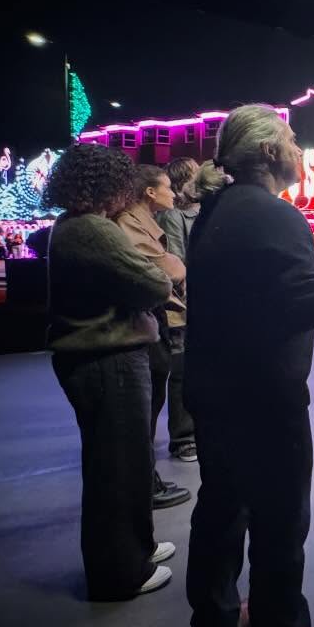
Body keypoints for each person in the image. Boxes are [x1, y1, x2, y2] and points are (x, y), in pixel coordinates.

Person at [183, 103, 314, 627]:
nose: (301, 151)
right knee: (280, 521)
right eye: (295, 141)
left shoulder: (217, 210)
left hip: (213, 388)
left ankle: (217, 620)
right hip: (265, 398)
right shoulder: (278, 216)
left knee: (221, 507)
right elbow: (302, 305)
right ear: (274, 153)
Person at [42, 144, 175, 600]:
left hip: (104, 357)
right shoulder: (92, 230)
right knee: (117, 469)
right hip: (107, 359)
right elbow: (155, 282)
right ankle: (120, 573)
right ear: (107, 184)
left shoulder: (75, 226)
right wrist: (161, 272)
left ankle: (138, 548)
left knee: (128, 462)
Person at [116, 166, 192, 508]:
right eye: (166, 187)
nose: (173, 193)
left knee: (153, 401)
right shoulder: (130, 222)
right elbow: (169, 269)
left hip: (156, 321)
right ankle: (142, 485)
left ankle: (145, 480)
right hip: (148, 323)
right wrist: (173, 268)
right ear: (149, 191)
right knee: (144, 410)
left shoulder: (144, 220)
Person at [156, 157, 202, 463]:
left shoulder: (204, 211)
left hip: (206, 303)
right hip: (186, 307)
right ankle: (184, 439)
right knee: (182, 371)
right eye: (197, 172)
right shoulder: (174, 216)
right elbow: (175, 264)